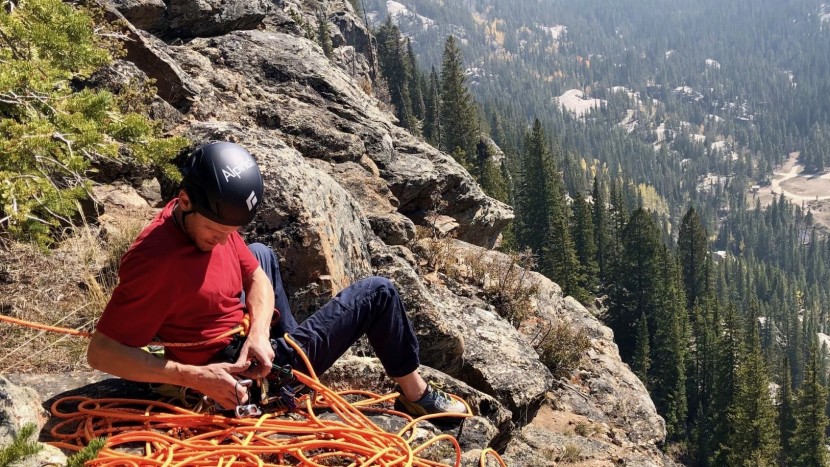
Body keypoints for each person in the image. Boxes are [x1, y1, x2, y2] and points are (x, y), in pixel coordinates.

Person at [86, 141, 466, 417]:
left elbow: (256, 277)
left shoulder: (194, 214)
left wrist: (256, 336)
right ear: (185, 201)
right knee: (378, 293)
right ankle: (415, 395)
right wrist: (197, 377)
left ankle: (285, 353)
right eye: (217, 231)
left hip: (248, 346)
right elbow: (102, 351)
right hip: (235, 378)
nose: (223, 239)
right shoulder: (155, 264)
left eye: (229, 231)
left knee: (261, 255)